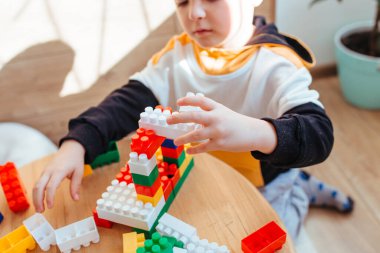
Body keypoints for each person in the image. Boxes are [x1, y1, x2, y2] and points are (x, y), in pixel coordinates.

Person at [33, 0, 353, 241]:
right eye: (183, 1)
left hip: (264, 183)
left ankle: (298, 191)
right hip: (203, 175)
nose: (194, 13)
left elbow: (318, 134)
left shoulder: (275, 62)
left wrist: (255, 131)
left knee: (270, 234)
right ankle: (300, 181)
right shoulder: (178, 56)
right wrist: (78, 141)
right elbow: (126, 101)